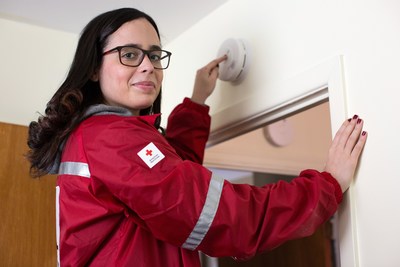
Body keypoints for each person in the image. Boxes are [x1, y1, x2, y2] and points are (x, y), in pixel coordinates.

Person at [26, 7, 367, 267]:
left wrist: (197, 102)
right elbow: (223, 217)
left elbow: (170, 187)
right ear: (94, 68)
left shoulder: (95, 137)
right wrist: (328, 186)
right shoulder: (112, 138)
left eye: (155, 54)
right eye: (129, 54)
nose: (148, 66)